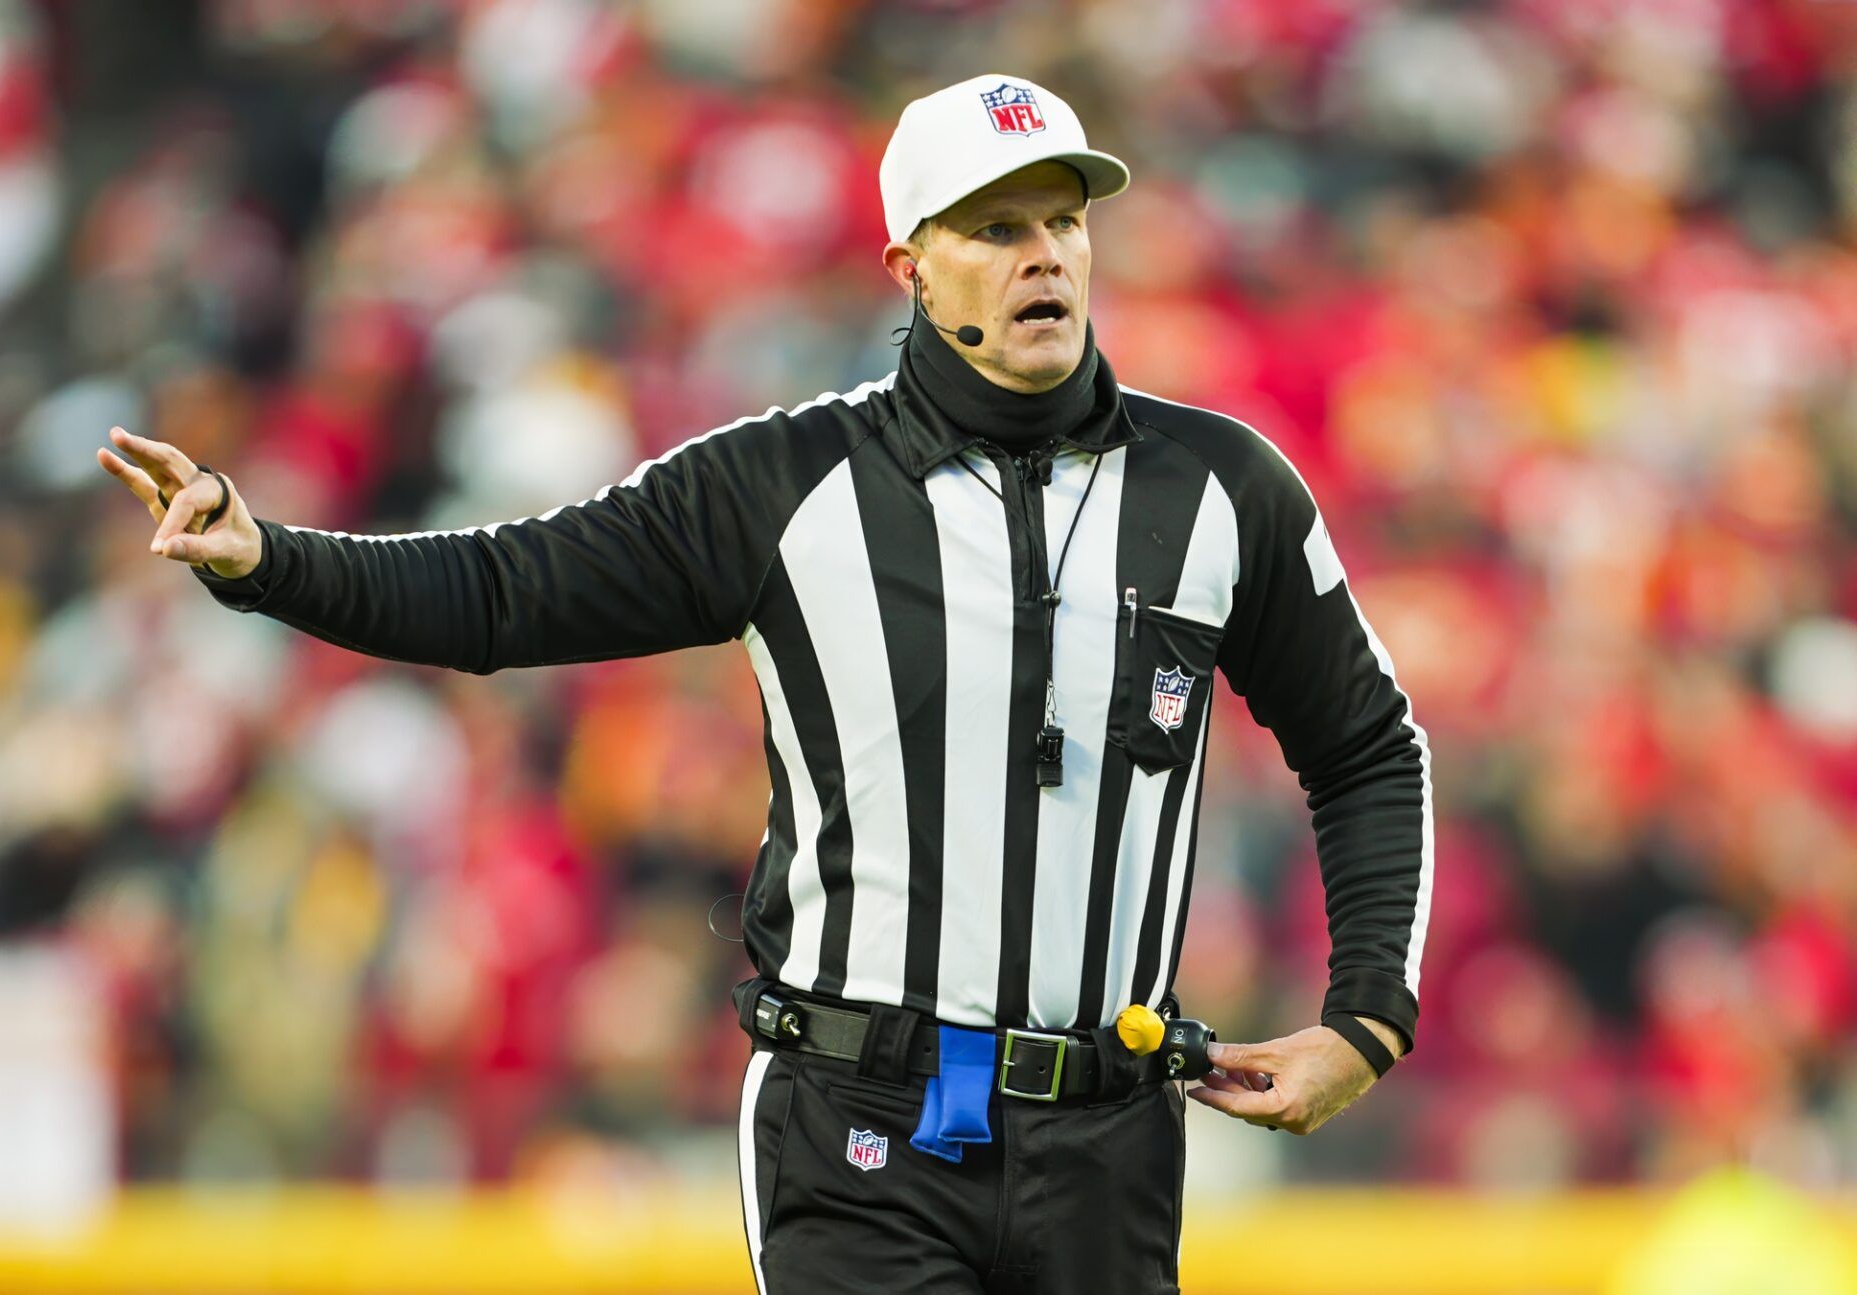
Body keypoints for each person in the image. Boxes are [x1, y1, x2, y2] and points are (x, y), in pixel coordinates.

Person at [98, 72, 1433, 1295]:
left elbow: (1366, 746)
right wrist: (267, 559)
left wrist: (1366, 1018)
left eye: (1061, 221)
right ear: (912, 268)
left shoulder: (1221, 486)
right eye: (994, 229)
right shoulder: (783, 484)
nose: (1041, 255)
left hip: (1110, 1135)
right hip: (864, 1129)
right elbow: (506, 592)